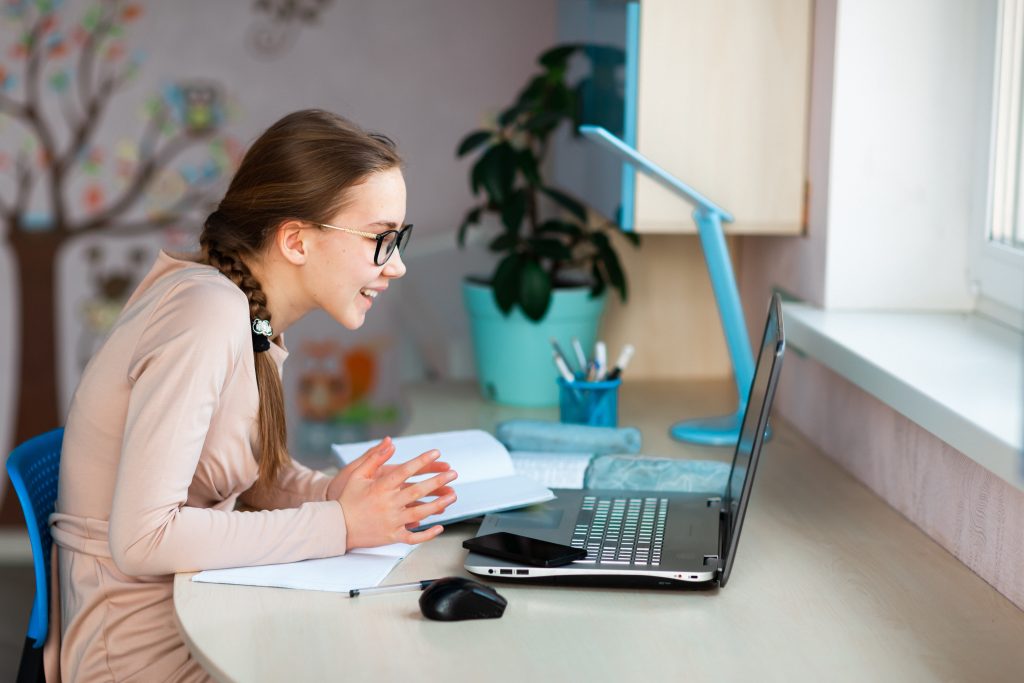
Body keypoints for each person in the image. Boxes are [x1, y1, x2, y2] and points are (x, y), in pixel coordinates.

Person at [44, 109, 458, 682]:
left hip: (200, 615)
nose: (399, 266)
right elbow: (144, 537)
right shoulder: (206, 314)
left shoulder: (254, 321)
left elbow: (252, 476)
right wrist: (338, 523)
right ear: (295, 240)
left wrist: (336, 495)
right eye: (380, 239)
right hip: (140, 656)